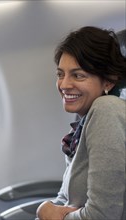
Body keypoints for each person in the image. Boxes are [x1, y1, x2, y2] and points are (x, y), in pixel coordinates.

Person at [36, 26, 126, 220]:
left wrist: (48, 214)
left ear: (109, 81)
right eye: (60, 74)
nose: (64, 85)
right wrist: (44, 209)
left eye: (78, 75)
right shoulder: (83, 121)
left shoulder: (107, 110)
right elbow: (67, 198)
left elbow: (102, 216)